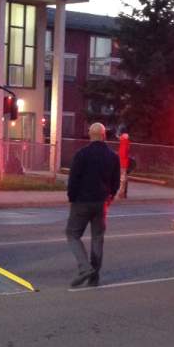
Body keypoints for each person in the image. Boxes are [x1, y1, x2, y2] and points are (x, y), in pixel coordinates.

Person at [65, 121, 121, 287]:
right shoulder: (113, 156)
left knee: (72, 234)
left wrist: (71, 198)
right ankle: (94, 277)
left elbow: (73, 180)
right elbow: (116, 182)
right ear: (104, 136)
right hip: (101, 202)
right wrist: (110, 197)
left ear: (90, 135)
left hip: (82, 201)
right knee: (97, 238)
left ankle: (85, 268)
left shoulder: (81, 154)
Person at [117, 129, 132, 199]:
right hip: (125, 162)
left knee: (122, 178)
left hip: (122, 162)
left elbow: (122, 153)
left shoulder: (123, 142)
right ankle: (123, 193)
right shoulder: (126, 141)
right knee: (124, 178)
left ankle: (121, 193)